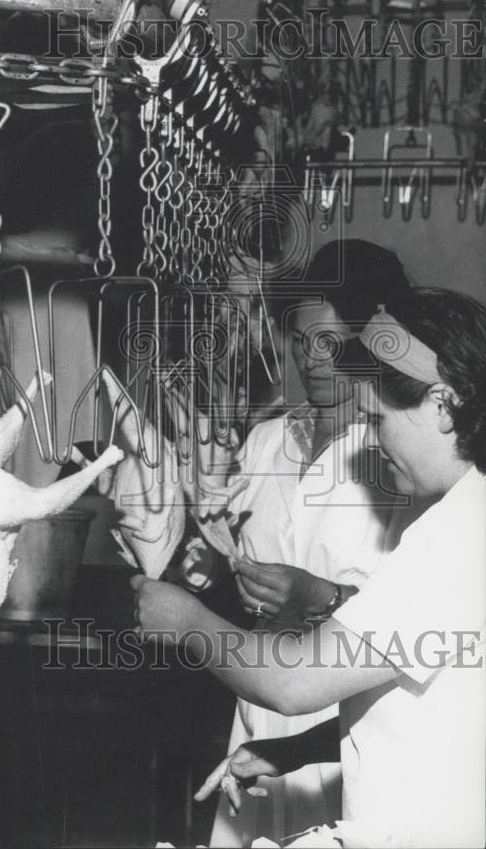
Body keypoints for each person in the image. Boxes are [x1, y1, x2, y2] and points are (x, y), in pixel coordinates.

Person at [132, 287, 486, 849]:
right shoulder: (464, 518)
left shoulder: (457, 542)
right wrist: (297, 749)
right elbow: (426, 697)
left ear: (443, 406)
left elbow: (294, 680)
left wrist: (187, 624)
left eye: (378, 417)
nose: (370, 436)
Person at [192, 239, 413, 847]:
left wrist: (320, 594)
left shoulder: (397, 460)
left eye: (333, 344)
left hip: (349, 724)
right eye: (301, 340)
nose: (312, 360)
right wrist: (204, 566)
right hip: (259, 712)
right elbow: (229, 566)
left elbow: (414, 620)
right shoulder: (265, 443)